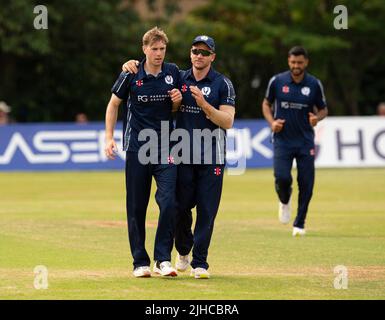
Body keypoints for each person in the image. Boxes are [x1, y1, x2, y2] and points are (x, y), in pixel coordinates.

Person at [123, 35, 236, 279]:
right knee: (179, 207)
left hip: (211, 156)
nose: (199, 56)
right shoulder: (177, 76)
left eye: (205, 53)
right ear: (190, 53)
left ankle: (201, 262)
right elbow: (150, 71)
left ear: (212, 57)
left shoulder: (222, 83)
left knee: (207, 210)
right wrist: (130, 64)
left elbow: (227, 121)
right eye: (196, 51)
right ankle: (183, 250)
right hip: (181, 154)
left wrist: (204, 105)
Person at [105, 27, 182, 278]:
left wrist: (178, 100)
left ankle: (163, 259)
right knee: (137, 206)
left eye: (162, 49)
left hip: (166, 148)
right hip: (138, 148)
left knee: (170, 201)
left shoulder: (172, 73)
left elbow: (178, 107)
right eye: (154, 49)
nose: (158, 54)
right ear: (144, 49)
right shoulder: (131, 73)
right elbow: (113, 104)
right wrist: (109, 138)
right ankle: (140, 262)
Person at [262, 46, 328, 237]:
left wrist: (317, 118)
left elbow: (323, 109)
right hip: (282, 141)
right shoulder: (277, 81)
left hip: (305, 141)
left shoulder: (314, 84)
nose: (296, 66)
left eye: (299, 62)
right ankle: (284, 200)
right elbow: (266, 104)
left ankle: (299, 222)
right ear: (288, 61)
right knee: (282, 178)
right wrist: (272, 122)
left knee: (306, 182)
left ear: (306, 62)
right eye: (292, 62)